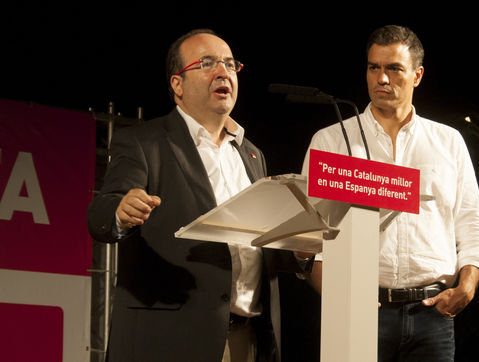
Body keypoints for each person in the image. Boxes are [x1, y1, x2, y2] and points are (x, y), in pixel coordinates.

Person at [87, 29, 312, 362]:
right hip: (170, 340)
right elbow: (100, 215)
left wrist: (299, 250)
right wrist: (120, 211)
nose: (223, 72)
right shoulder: (144, 143)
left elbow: (255, 247)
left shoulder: (252, 155)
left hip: (247, 339)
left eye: (230, 64)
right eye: (207, 63)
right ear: (177, 84)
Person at [301, 25, 479, 361]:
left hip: (432, 313)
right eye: (373, 67)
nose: (381, 78)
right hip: (357, 312)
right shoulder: (331, 141)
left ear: (417, 75)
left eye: (393, 68)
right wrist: (338, 296)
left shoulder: (448, 142)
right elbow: (308, 236)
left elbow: (472, 222)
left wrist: (467, 286)